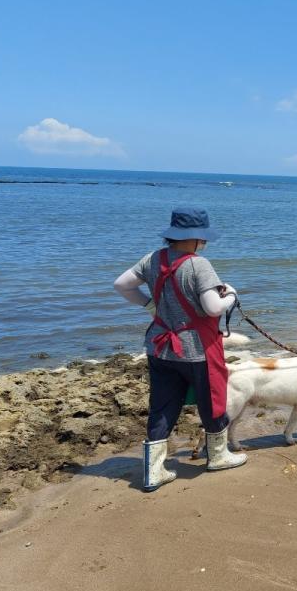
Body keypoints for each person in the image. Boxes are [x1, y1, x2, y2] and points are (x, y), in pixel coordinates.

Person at [114, 207, 247, 491]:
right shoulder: (199, 265)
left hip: (159, 346)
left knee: (162, 405)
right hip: (196, 348)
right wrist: (232, 296)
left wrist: (150, 306)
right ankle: (218, 456)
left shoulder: (153, 259)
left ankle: (153, 470)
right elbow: (212, 308)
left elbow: (122, 284)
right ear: (198, 238)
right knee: (211, 400)